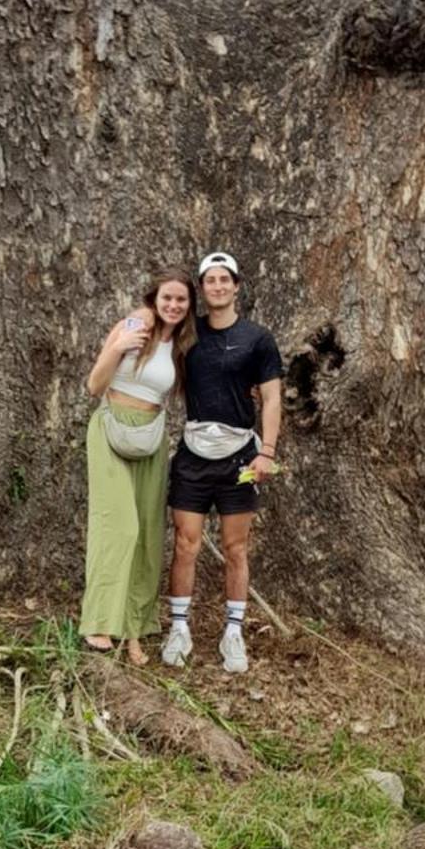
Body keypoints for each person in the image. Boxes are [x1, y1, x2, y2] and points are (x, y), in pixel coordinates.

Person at [162, 251, 283, 674]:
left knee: (235, 548)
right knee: (185, 543)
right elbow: (155, 326)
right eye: (209, 280)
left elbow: (270, 397)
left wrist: (267, 451)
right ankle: (179, 627)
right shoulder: (186, 334)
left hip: (240, 459)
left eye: (223, 280)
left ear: (236, 286)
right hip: (194, 456)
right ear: (202, 288)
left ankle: (234, 632)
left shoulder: (258, 339)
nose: (217, 287)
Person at [80, 269, 195, 664]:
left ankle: (134, 629)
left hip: (151, 436)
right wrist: (119, 346)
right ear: (154, 298)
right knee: (119, 525)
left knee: (147, 532)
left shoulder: (182, 343)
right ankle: (98, 620)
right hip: (112, 427)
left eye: (181, 300)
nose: (173, 305)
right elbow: (95, 385)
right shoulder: (137, 324)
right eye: (167, 298)